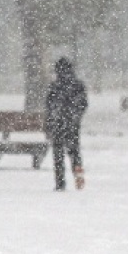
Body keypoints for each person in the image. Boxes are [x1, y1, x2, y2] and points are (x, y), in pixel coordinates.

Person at [44, 57, 89, 191]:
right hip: (72, 124)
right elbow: (83, 104)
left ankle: (60, 182)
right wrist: (75, 116)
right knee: (74, 152)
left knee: (58, 154)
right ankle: (78, 175)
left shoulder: (55, 86)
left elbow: (49, 106)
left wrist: (50, 122)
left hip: (58, 124)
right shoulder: (78, 85)